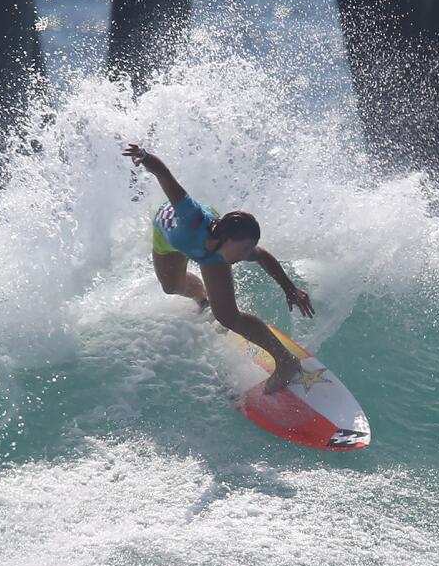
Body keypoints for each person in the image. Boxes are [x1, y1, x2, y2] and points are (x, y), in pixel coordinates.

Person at [123, 143, 314, 393]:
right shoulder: (190, 215)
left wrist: (290, 288)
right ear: (226, 239)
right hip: (168, 238)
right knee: (170, 287)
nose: (246, 255)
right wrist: (144, 157)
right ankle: (203, 299)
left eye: (249, 249)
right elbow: (164, 175)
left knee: (228, 316)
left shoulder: (223, 252)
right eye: (243, 249)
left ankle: (286, 362)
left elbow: (263, 256)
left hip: (207, 251)